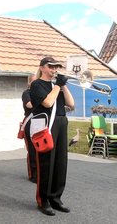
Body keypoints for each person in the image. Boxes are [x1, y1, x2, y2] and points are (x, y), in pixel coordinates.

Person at [30, 57, 74, 216]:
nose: (54, 69)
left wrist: (64, 86)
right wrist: (57, 86)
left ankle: (56, 198)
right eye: (51, 66)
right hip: (47, 125)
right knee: (46, 163)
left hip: (61, 123)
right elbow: (47, 103)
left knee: (61, 163)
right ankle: (43, 200)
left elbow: (71, 104)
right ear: (42, 68)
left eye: (56, 67)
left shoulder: (57, 86)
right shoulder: (36, 84)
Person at [22, 73, 37, 183]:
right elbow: (29, 105)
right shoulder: (26, 93)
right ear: (29, 83)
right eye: (33, 81)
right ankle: (33, 174)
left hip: (40, 122)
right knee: (31, 150)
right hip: (30, 122)